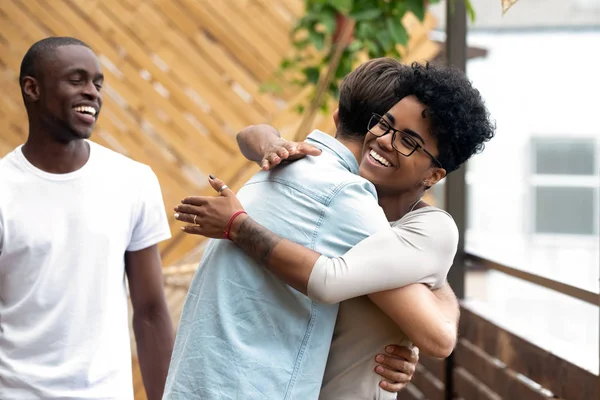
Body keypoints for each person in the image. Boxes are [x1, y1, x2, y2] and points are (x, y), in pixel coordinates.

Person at [173, 61, 495, 399]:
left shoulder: (402, 223)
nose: (385, 140)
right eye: (386, 124)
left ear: (432, 176)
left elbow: (438, 337)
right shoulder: (343, 200)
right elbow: (250, 136)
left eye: (409, 142)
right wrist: (269, 141)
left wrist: (237, 226)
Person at [0, 37, 174, 400]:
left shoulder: (132, 182)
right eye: (76, 80)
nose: (92, 92)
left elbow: (150, 312)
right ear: (32, 88)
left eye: (97, 83)